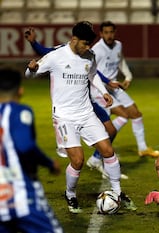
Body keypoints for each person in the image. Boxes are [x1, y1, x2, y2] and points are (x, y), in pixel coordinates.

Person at [25, 21, 136, 213]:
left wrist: (103, 92)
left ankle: (117, 192)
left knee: (108, 150)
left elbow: (92, 75)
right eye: (85, 44)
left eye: (89, 44)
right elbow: (30, 74)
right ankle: (70, 194)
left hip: (86, 114)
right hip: (64, 117)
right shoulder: (55, 57)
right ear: (74, 39)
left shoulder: (89, 56)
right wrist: (32, 69)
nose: (88, 48)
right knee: (77, 160)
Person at [0, 68, 63, 232]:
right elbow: (25, 145)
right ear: (20, 91)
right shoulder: (20, 112)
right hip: (20, 194)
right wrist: (49, 164)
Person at [90, 21, 159, 159]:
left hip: (115, 87)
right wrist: (107, 82)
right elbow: (92, 70)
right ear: (101, 34)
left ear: (115, 32)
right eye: (106, 32)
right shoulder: (97, 49)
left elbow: (120, 61)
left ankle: (142, 148)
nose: (109, 35)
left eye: (111, 32)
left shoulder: (118, 45)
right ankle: (101, 146)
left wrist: (128, 76)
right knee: (123, 116)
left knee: (136, 113)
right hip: (100, 90)